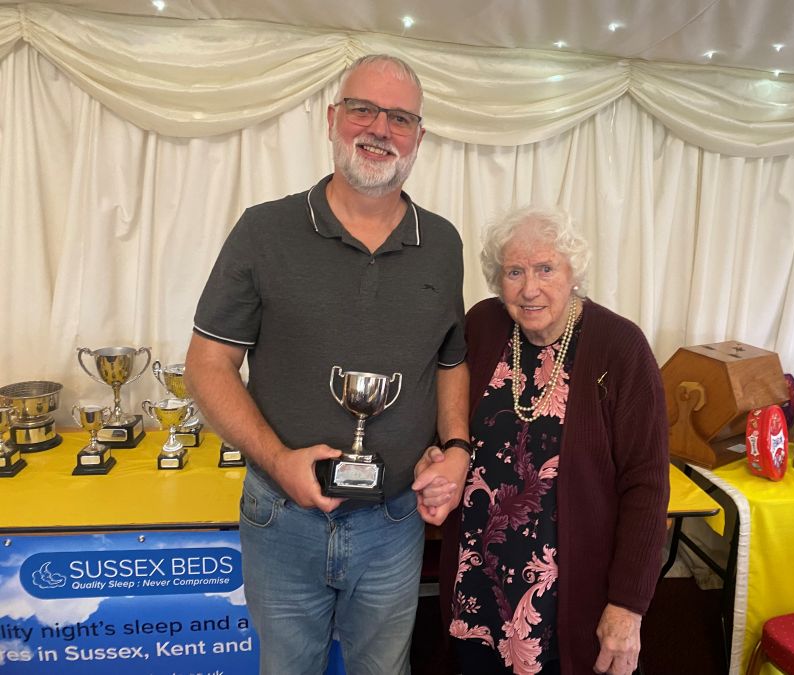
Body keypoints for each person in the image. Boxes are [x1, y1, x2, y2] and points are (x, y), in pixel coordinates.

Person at [184, 54, 471, 675]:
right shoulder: (264, 230)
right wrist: (277, 461)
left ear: (419, 137)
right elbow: (207, 365)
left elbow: (451, 360)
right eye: (363, 109)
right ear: (333, 118)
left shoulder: (443, 243)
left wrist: (456, 447)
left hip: (394, 522)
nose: (380, 129)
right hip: (281, 518)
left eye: (400, 118)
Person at [434, 205, 670, 674]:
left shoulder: (620, 346)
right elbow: (450, 415)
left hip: (566, 594)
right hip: (477, 579)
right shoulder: (483, 325)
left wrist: (628, 606)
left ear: (572, 272)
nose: (529, 288)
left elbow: (646, 484)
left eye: (546, 269)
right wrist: (436, 455)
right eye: (514, 272)